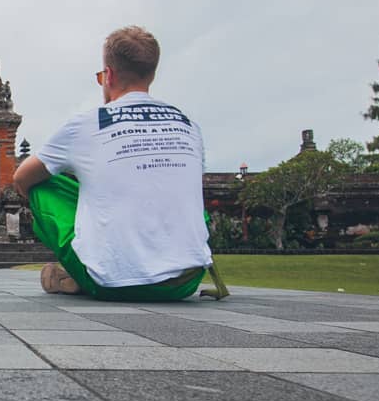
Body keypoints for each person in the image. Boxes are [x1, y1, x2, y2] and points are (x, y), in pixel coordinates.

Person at [13, 26, 225, 301]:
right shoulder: (188, 125)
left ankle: (84, 269)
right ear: (152, 74)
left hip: (112, 282)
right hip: (184, 282)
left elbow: (21, 178)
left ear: (108, 75)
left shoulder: (85, 124)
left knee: (43, 186)